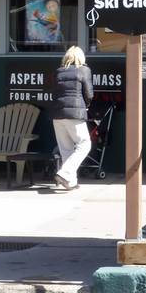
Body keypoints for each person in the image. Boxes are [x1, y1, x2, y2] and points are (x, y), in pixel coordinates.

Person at [51, 45, 93, 190]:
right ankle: (64, 173)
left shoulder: (59, 71)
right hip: (75, 113)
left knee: (66, 149)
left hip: (57, 113)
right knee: (85, 144)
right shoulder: (84, 70)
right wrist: (86, 106)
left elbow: (54, 93)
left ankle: (70, 182)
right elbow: (89, 94)